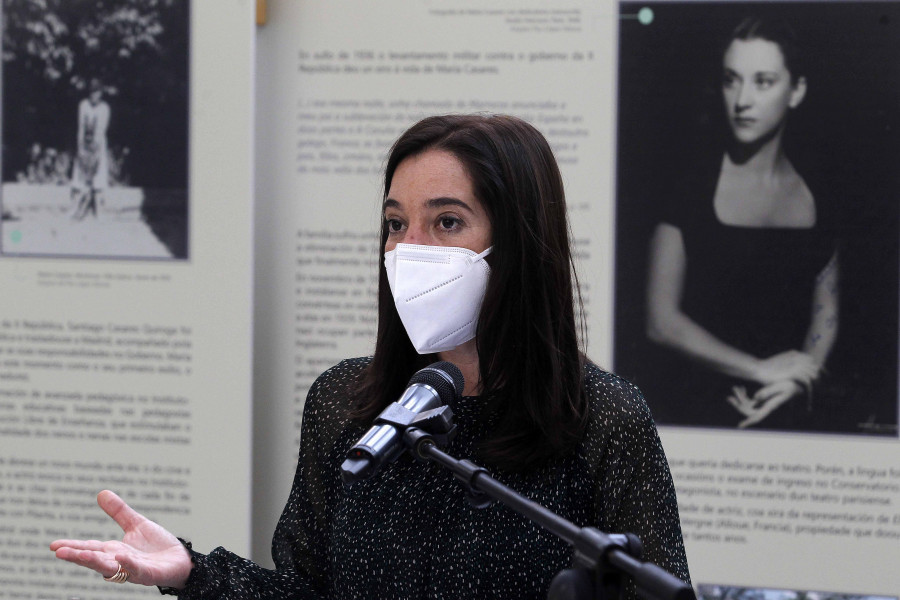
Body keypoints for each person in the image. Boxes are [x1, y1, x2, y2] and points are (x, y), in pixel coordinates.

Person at [50, 114, 690, 598]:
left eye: (446, 223)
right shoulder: (347, 404)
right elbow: (305, 592)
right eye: (394, 223)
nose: (407, 249)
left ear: (519, 243)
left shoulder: (602, 419)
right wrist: (192, 572)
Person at [643, 17, 840, 430]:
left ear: (796, 91)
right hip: (695, 415)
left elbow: (827, 313)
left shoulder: (820, 193)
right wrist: (759, 370)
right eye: (733, 80)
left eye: (763, 81)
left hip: (787, 411)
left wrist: (799, 380)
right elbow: (661, 322)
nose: (742, 100)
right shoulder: (690, 185)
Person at [70, 78, 111, 220]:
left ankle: (99, 211)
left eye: (98, 92)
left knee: (98, 176)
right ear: (89, 92)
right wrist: (81, 150)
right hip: (84, 145)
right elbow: (81, 127)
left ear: (101, 93)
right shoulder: (83, 105)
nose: (95, 95)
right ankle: (75, 208)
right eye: (92, 92)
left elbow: (101, 130)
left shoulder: (105, 108)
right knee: (80, 176)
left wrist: (95, 154)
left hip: (98, 145)